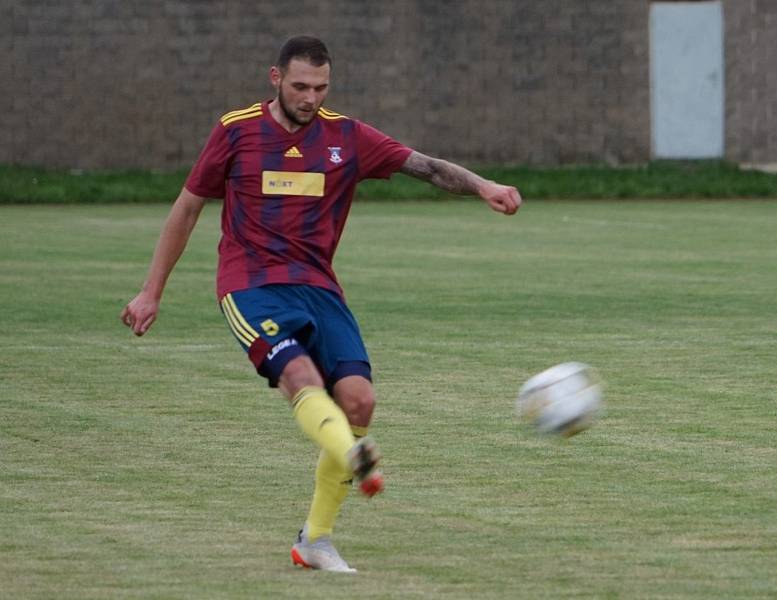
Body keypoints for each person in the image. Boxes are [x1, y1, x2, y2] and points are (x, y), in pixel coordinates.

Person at [120, 35, 521, 573]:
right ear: (275, 78)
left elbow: (423, 166)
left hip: (319, 288)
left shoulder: (345, 136)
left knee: (358, 401)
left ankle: (315, 539)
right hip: (252, 285)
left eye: (320, 87)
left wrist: (483, 186)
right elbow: (188, 207)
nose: (310, 97)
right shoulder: (235, 130)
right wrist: (152, 291)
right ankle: (353, 456)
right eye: (300, 86)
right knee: (302, 377)